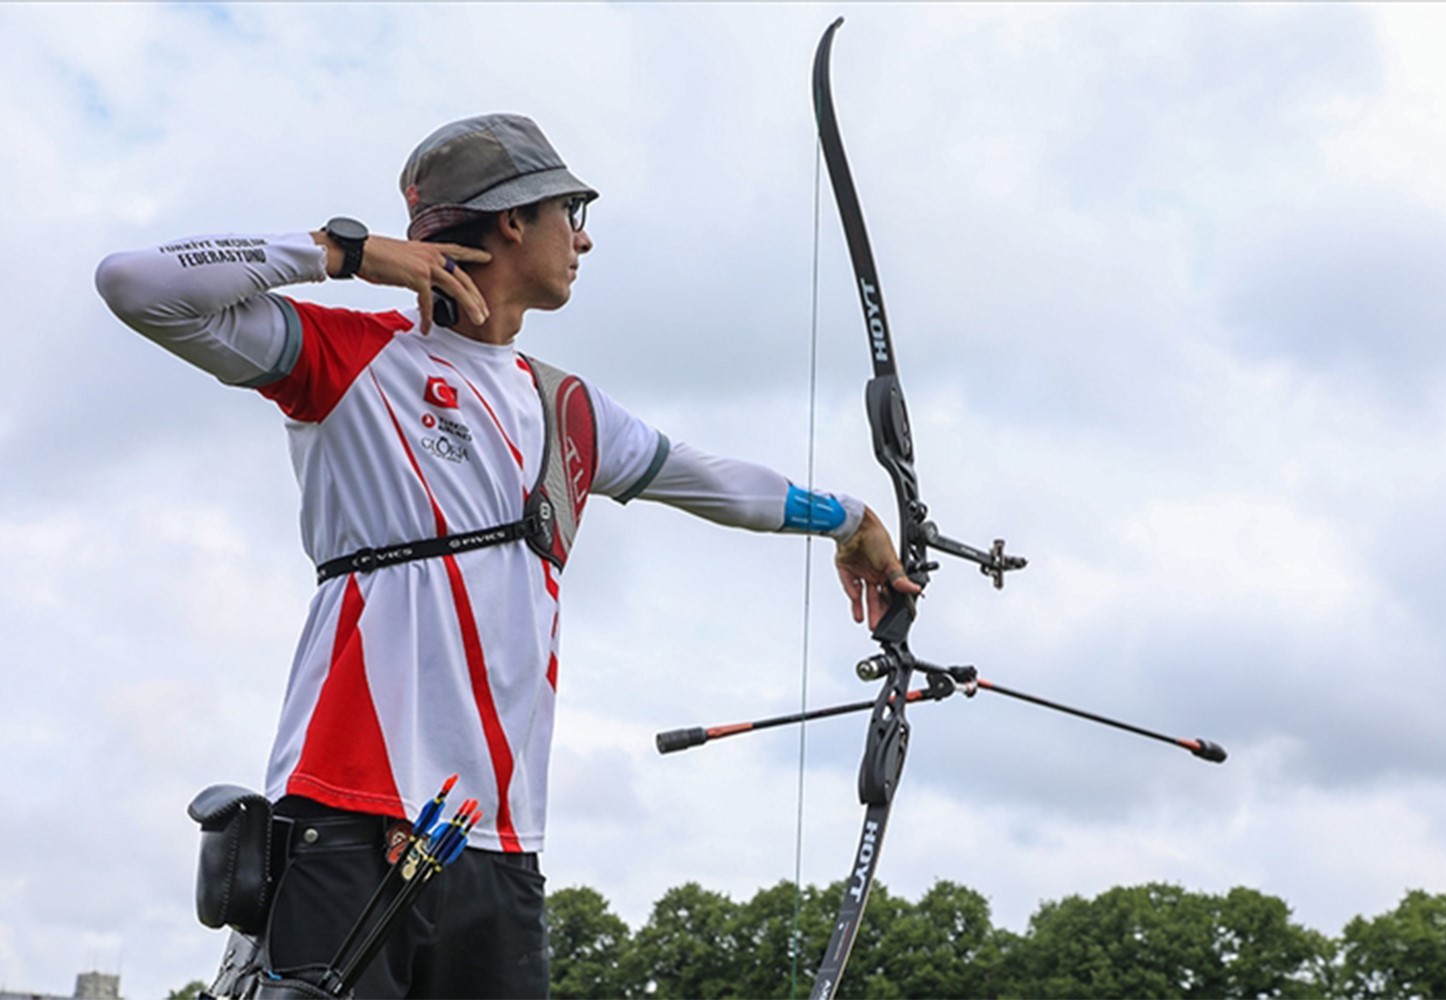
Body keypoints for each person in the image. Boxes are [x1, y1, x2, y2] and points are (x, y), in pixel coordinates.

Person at [95, 112, 919, 998]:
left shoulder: (566, 409)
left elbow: (710, 479)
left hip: (500, 842)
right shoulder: (351, 360)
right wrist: (346, 253)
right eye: (573, 209)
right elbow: (135, 283)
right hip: (347, 815)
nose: (587, 237)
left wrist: (851, 518)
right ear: (514, 220)